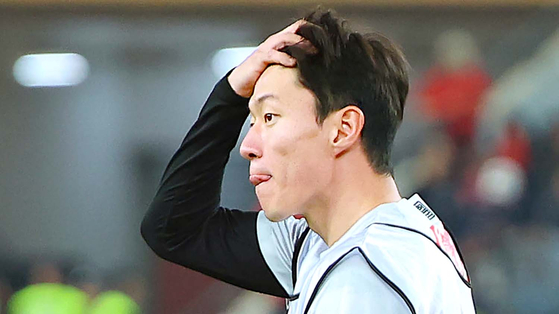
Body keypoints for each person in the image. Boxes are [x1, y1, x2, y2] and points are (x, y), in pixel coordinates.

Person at [141, 9, 475, 313]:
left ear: (343, 129)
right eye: (252, 120)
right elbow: (174, 230)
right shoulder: (335, 240)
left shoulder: (364, 276)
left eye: (270, 116)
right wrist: (230, 93)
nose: (247, 146)